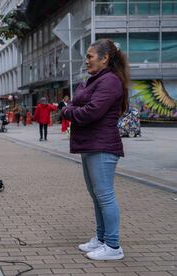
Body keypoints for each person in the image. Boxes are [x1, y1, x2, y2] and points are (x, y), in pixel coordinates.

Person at [61, 39, 129, 261]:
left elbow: (90, 111)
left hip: (102, 145)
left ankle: (113, 245)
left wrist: (68, 111)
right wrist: (73, 106)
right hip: (90, 144)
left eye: (90, 56)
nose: (86, 60)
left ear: (104, 58)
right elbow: (76, 102)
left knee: (105, 196)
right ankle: (101, 239)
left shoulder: (109, 81)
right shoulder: (94, 80)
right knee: (97, 196)